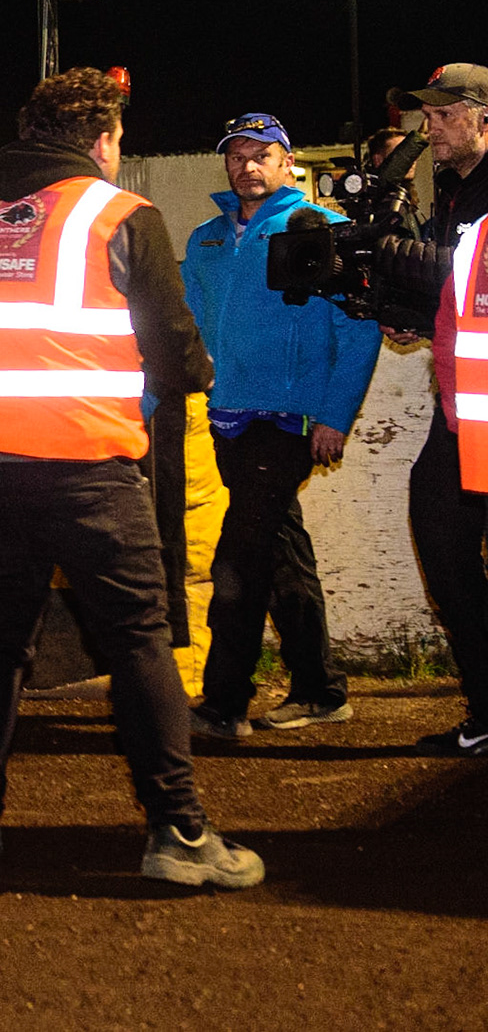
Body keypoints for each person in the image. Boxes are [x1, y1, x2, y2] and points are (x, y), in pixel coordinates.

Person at [0, 65, 262, 888]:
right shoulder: (119, 213)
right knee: (139, 640)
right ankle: (177, 831)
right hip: (91, 468)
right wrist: (193, 367)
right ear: (101, 138)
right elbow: (176, 349)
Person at [182, 112, 379, 739]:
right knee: (280, 550)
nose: (248, 165)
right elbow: (185, 327)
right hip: (226, 419)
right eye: (237, 154)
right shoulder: (207, 239)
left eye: (262, 153)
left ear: (288, 162)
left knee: (238, 559)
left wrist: (333, 415)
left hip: (289, 420)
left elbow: (360, 327)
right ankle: (320, 689)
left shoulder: (325, 231)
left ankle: (224, 702)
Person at [393, 64, 488, 756]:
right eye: (428, 115)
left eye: (445, 114)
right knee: (447, 553)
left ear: (484, 117)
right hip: (460, 409)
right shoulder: (450, 190)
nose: (430, 127)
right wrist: (420, 317)